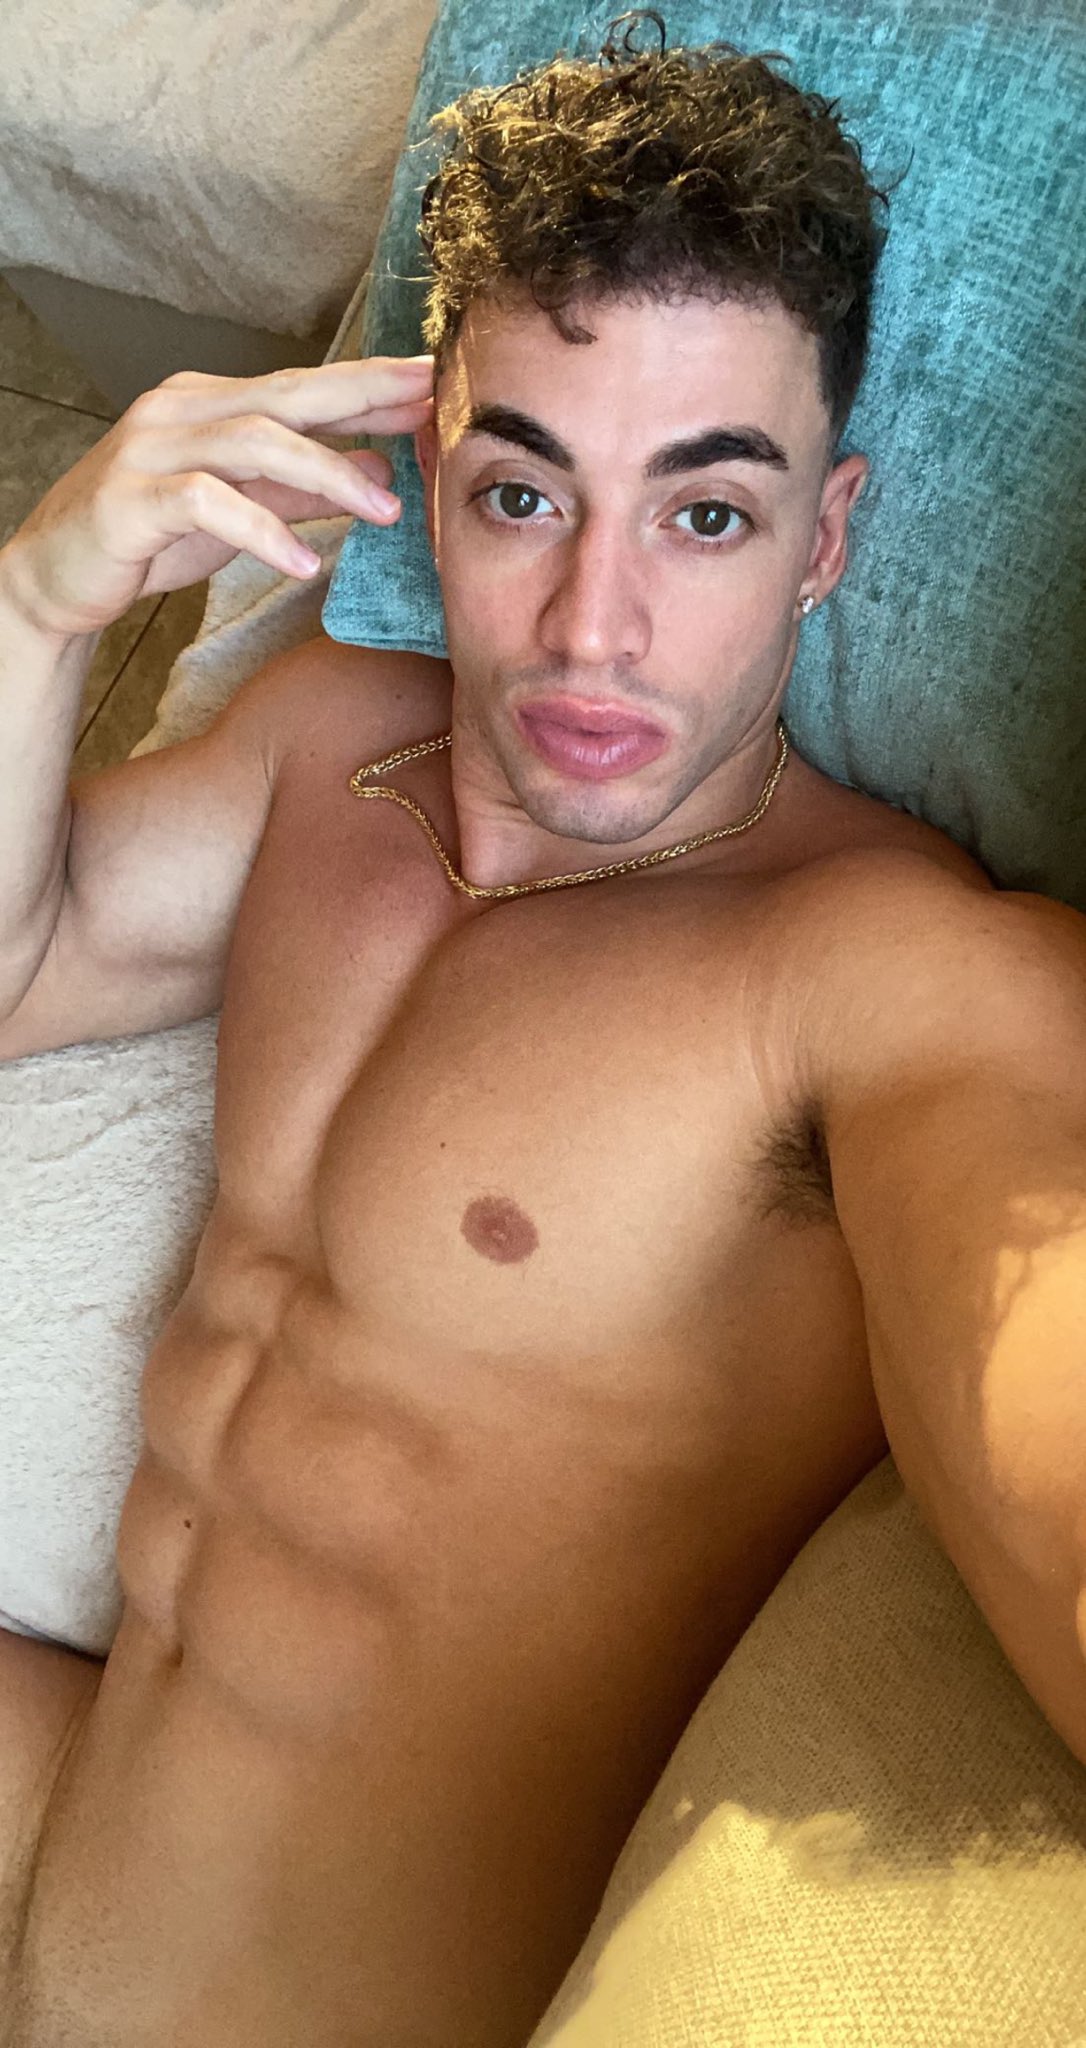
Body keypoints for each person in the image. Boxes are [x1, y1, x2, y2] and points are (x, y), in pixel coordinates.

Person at [1, 17, 1085, 2045]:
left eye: (705, 514)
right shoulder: (322, 752)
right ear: (430, 480)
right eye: (523, 493)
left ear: (825, 539)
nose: (593, 626)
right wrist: (37, 609)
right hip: (68, 1844)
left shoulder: (890, 975)